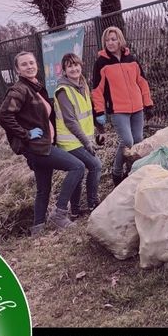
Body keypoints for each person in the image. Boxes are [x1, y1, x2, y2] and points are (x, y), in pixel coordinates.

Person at [0, 50, 85, 235]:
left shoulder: (35, 86)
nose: (29, 66)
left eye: (31, 62)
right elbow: (4, 116)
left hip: (44, 145)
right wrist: (26, 134)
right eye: (24, 64)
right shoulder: (20, 90)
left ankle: (37, 228)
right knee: (77, 166)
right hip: (37, 148)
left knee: (43, 188)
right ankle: (59, 213)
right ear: (17, 70)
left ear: (36, 64)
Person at [90, 25, 154, 187]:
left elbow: (142, 82)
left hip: (137, 107)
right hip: (118, 110)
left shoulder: (131, 59)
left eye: (113, 39)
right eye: (107, 40)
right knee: (127, 140)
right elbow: (97, 90)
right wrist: (99, 111)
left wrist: (148, 103)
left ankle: (131, 170)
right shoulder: (101, 63)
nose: (110, 42)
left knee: (138, 140)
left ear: (120, 40)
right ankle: (117, 171)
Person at [53, 52, 104, 218]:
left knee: (81, 171)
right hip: (70, 142)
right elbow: (70, 121)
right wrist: (87, 142)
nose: (74, 69)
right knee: (95, 165)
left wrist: (97, 132)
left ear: (81, 66)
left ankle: (74, 210)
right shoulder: (63, 91)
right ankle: (93, 203)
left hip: (82, 139)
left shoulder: (83, 85)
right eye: (69, 66)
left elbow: (87, 115)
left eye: (76, 65)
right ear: (64, 70)